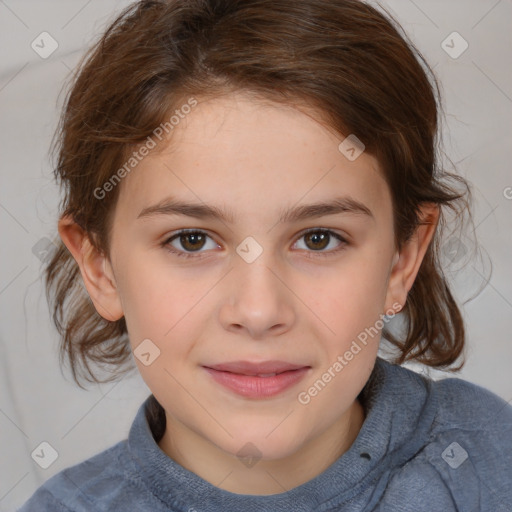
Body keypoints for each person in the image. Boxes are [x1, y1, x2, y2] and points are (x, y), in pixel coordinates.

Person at [20, 0, 512, 510]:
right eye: (191, 240)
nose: (258, 312)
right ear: (100, 267)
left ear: (401, 259)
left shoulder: (490, 463)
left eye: (319, 239)